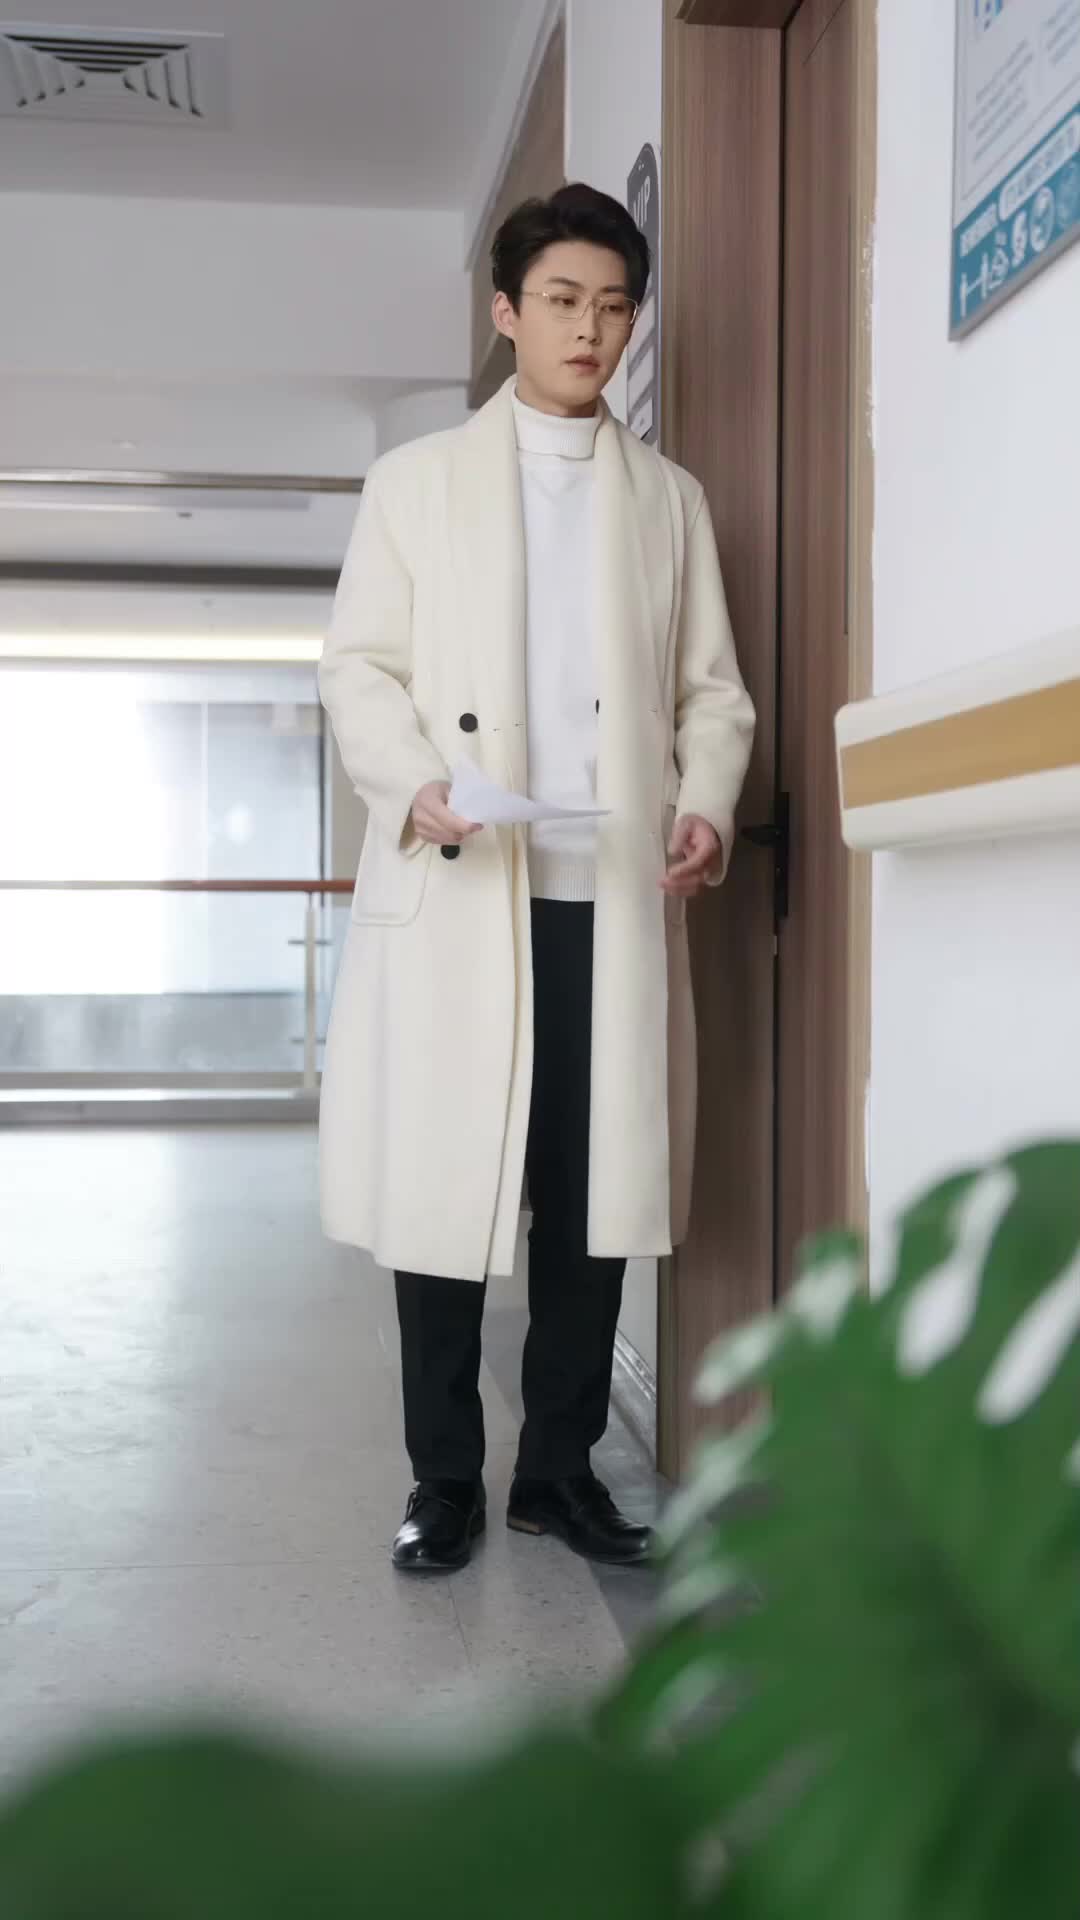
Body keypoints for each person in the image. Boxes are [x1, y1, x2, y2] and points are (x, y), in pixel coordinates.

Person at [319, 183, 755, 1575]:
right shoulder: (417, 484)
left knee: (590, 1197)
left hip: (606, 893)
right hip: (468, 881)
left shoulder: (668, 500)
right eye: (563, 300)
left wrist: (705, 805)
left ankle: (557, 1474)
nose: (591, 330)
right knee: (444, 1196)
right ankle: (443, 1478)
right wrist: (413, 782)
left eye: (614, 306)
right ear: (507, 312)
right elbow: (359, 668)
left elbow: (710, 692)